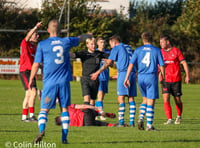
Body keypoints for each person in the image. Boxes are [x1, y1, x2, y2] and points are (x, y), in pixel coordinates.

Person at [29, 19, 92, 144]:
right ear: (60, 30)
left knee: (44, 110)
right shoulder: (66, 41)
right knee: (64, 109)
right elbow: (80, 38)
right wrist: (89, 35)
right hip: (64, 82)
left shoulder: (42, 44)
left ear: (48, 30)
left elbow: (36, 64)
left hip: (49, 83)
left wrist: (31, 78)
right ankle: (64, 138)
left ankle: (41, 130)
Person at [91, 35, 137, 127]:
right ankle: (132, 122)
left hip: (124, 73)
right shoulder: (128, 47)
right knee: (131, 98)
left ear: (114, 42)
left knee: (121, 98)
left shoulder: (116, 48)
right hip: (132, 73)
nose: (111, 46)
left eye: (110, 44)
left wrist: (97, 72)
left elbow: (108, 62)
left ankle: (121, 122)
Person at [124, 32, 165, 131]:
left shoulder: (138, 50)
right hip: (151, 76)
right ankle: (149, 126)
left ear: (143, 40)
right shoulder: (156, 50)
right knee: (151, 101)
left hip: (141, 77)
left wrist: (126, 78)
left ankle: (141, 117)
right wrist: (163, 76)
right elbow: (162, 65)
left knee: (145, 99)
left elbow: (131, 64)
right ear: (152, 39)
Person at [159, 35, 190, 125]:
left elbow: (183, 62)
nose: (160, 44)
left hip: (176, 79)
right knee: (166, 98)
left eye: (162, 42)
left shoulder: (176, 51)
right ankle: (169, 119)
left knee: (177, 100)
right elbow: (158, 66)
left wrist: (187, 75)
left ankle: (179, 116)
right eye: (160, 42)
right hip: (165, 79)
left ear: (167, 42)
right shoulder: (160, 52)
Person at [70, 37, 109, 106]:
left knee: (92, 101)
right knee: (86, 99)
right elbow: (73, 55)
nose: (93, 46)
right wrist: (63, 52)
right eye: (91, 44)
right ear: (87, 45)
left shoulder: (99, 54)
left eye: (94, 44)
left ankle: (91, 115)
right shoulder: (84, 53)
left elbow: (111, 59)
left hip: (95, 80)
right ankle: (86, 115)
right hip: (85, 79)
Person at [19, 21, 42, 122]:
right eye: (36, 34)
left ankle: (24, 117)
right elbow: (27, 36)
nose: (37, 36)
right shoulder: (25, 44)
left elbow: (37, 62)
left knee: (28, 94)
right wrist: (36, 26)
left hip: (31, 73)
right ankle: (32, 116)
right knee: (32, 93)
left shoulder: (35, 48)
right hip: (25, 72)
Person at [95, 37, 111, 120]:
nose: (103, 44)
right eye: (101, 42)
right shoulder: (95, 52)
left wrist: (108, 62)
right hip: (98, 77)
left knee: (101, 96)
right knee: (100, 95)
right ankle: (101, 114)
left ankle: (96, 113)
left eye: (104, 42)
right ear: (97, 43)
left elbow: (112, 64)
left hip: (106, 76)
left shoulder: (108, 52)